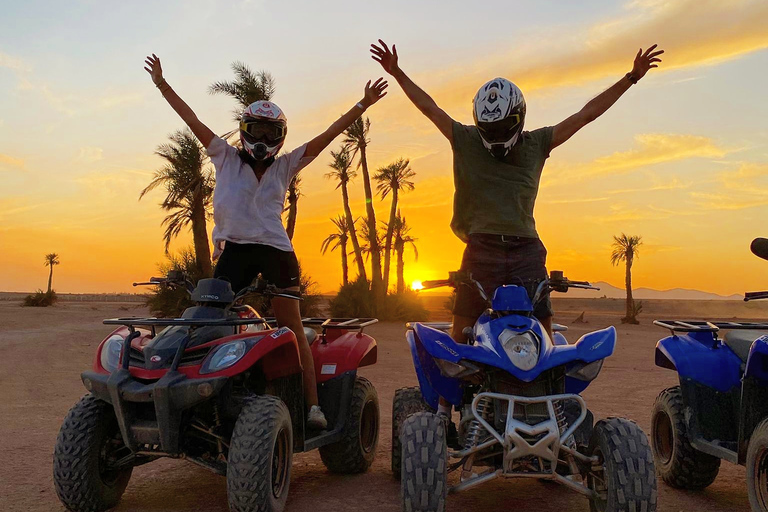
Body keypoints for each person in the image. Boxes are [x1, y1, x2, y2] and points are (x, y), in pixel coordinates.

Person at [370, 39, 663, 420]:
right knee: (459, 334)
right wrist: (397, 73)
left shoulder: (538, 142)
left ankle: (553, 409)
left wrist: (631, 78)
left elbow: (586, 114)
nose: (493, 135)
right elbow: (430, 108)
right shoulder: (465, 139)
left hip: (527, 251)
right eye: (487, 127)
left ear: (518, 119)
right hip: (481, 249)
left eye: (501, 127)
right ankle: (444, 410)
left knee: (543, 334)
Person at [144, 54, 388, 429]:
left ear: (280, 137)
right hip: (234, 252)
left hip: (276, 252)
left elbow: (327, 136)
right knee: (214, 322)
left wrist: (363, 104)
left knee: (291, 326)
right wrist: (162, 83)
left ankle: (311, 407)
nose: (261, 140)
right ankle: (211, 401)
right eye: (255, 131)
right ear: (243, 130)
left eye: (270, 133)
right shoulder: (224, 157)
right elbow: (190, 119)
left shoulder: (287, 165)